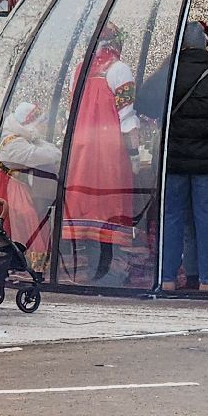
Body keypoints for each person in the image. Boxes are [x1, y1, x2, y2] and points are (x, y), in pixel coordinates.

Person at [137, 21, 208, 291]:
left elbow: (142, 103)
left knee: (172, 218)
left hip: (173, 161)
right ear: (205, 44)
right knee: (207, 218)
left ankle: (167, 278)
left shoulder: (168, 74)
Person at [62, 23, 142, 283]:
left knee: (86, 207)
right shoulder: (120, 70)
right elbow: (127, 117)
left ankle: (90, 268)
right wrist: (134, 153)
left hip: (82, 149)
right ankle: (109, 271)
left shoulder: (79, 70)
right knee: (110, 207)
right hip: (109, 152)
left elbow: (70, 112)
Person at [0, 101, 61, 273]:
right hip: (6, 187)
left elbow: (42, 147)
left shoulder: (18, 137)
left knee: (23, 217)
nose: (43, 127)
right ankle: (20, 260)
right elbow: (42, 155)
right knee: (23, 218)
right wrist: (56, 151)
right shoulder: (15, 144)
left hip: (11, 183)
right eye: (40, 123)